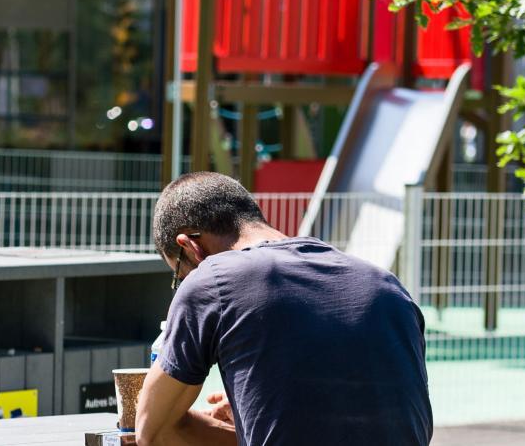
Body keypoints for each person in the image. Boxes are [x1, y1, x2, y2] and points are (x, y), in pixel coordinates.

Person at [136, 172, 432, 446]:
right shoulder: (386, 285)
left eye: (179, 275)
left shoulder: (212, 277)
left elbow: (154, 430)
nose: (184, 283)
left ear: (189, 246)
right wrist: (254, 411)